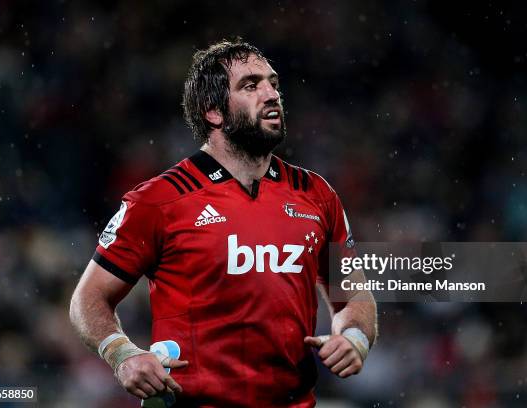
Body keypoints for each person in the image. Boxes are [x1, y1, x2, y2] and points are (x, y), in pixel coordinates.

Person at [69, 39, 377, 407]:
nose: (271, 94)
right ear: (213, 111)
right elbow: (88, 298)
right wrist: (122, 354)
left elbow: (354, 296)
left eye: (273, 83)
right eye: (251, 85)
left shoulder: (316, 194)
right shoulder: (158, 201)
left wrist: (354, 338)